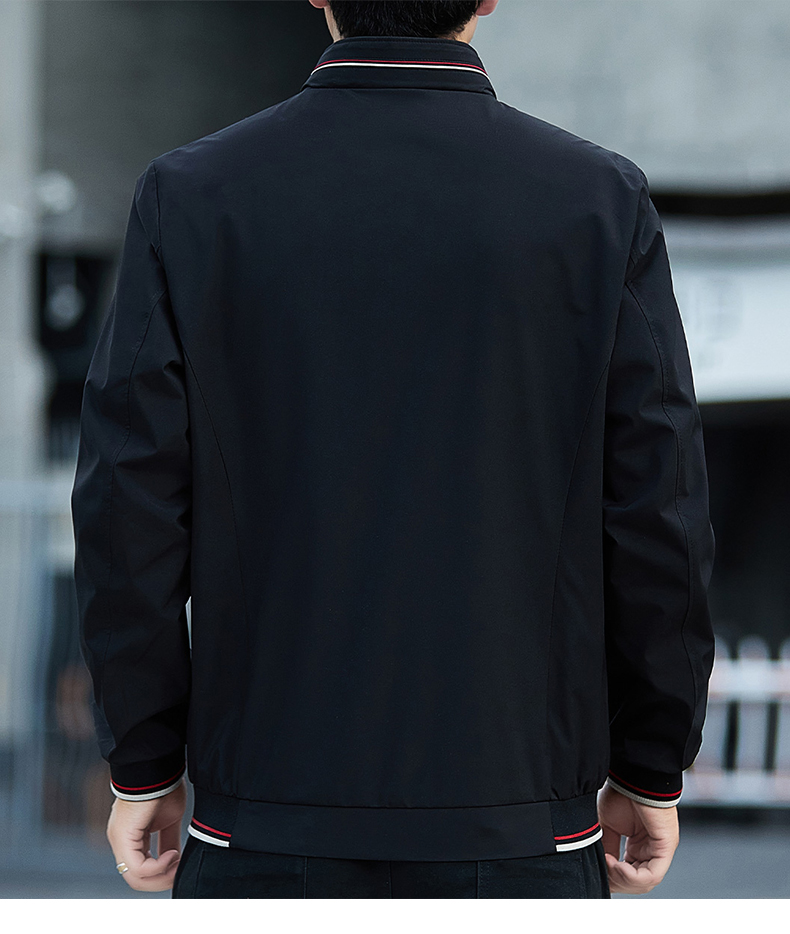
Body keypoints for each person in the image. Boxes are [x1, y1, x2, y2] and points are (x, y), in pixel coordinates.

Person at [71, 0, 716, 899]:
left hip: (263, 813)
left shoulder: (191, 194)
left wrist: (144, 762)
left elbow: (127, 506)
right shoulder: (597, 200)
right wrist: (650, 764)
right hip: (521, 817)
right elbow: (659, 512)